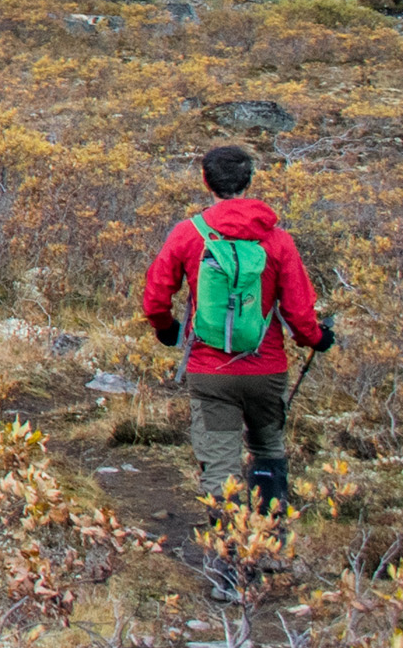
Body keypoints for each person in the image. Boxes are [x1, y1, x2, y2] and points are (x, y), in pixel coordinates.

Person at [139, 142, 332, 511]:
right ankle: (269, 545)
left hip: (210, 374)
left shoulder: (188, 234)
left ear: (205, 181)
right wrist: (318, 339)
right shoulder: (277, 240)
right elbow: (298, 310)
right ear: (249, 181)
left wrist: (166, 329)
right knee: (268, 449)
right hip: (267, 370)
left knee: (220, 465)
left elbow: (155, 297)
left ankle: (227, 558)